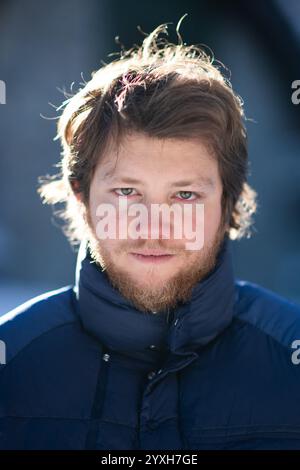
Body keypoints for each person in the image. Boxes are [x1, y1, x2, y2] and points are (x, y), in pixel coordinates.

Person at [1, 21, 300, 450]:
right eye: (126, 192)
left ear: (229, 204)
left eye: (185, 194)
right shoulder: (12, 366)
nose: (154, 226)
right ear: (81, 197)